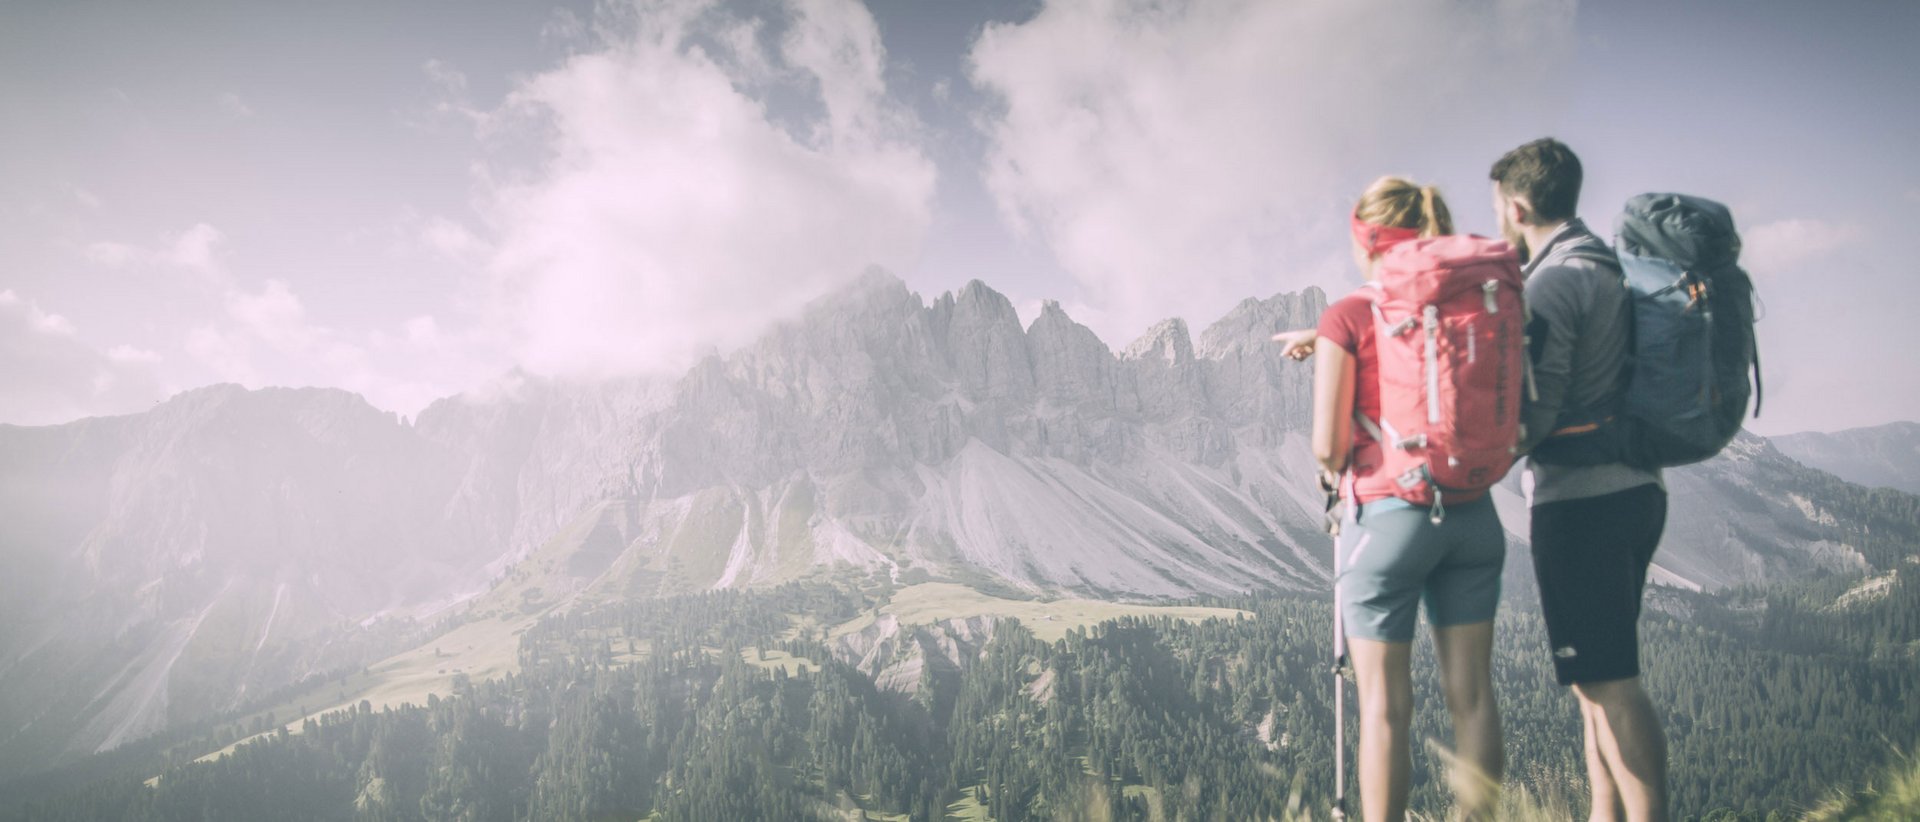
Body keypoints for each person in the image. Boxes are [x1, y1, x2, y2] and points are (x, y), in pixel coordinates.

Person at [1286, 176, 1507, 821]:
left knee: (1384, 709)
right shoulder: (1472, 302)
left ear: (1366, 239)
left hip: (1388, 522)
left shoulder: (1349, 315)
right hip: (1474, 516)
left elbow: (1328, 449)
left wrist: (1330, 344)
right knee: (1473, 698)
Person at [1490, 137, 1670, 822]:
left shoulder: (1552, 281)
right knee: (1595, 681)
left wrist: (1472, 460)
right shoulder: (1605, 264)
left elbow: (1536, 412)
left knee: (1613, 684)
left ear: (1518, 203)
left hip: (1582, 500)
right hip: (1636, 487)